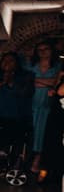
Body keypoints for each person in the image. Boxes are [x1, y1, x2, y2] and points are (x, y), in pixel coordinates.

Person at [27, 40, 61, 173]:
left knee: (42, 134)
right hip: (30, 103)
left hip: (47, 105)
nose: (42, 52)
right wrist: (49, 83)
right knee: (29, 132)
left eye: (46, 48)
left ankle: (37, 161)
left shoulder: (57, 65)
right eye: (39, 49)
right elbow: (27, 81)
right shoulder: (31, 65)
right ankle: (23, 159)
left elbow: (56, 83)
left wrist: (37, 81)